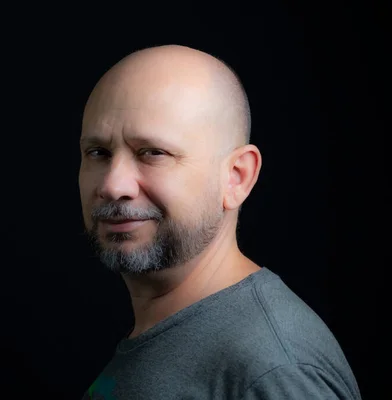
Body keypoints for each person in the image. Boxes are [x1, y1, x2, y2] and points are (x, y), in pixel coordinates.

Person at [78, 44, 361, 399]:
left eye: (153, 153)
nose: (112, 185)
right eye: (98, 153)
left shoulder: (274, 368)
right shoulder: (173, 331)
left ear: (236, 178)